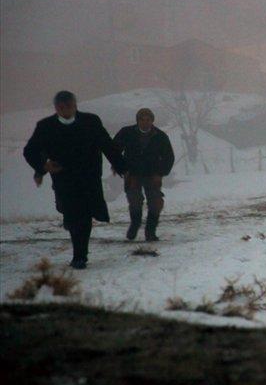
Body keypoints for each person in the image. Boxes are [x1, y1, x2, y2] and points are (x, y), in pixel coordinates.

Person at [23, 91, 126, 269]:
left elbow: (107, 145)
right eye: (61, 108)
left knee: (84, 216)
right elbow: (30, 150)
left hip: (88, 177)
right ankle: (73, 228)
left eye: (68, 106)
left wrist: (122, 166)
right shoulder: (46, 126)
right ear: (56, 108)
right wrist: (43, 166)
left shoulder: (91, 121)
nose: (65, 111)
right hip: (64, 179)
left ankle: (80, 256)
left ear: (75, 105)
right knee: (71, 213)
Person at [114, 108, 175, 241]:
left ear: (152, 121)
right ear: (137, 120)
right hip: (132, 173)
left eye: (148, 119)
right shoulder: (127, 133)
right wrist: (120, 168)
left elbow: (169, 157)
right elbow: (114, 151)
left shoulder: (160, 136)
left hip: (152, 174)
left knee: (155, 202)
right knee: (134, 201)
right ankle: (135, 224)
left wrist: (161, 173)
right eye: (142, 119)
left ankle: (150, 231)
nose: (145, 122)